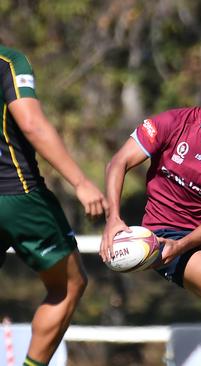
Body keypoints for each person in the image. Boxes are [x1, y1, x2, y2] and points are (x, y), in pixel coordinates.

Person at [100, 58, 201, 366]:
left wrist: (183, 246)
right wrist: (113, 220)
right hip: (164, 233)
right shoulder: (173, 124)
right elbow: (117, 163)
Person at [0, 45, 108, 366]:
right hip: (16, 194)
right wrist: (81, 181)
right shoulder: (8, 62)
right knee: (69, 283)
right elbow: (31, 123)